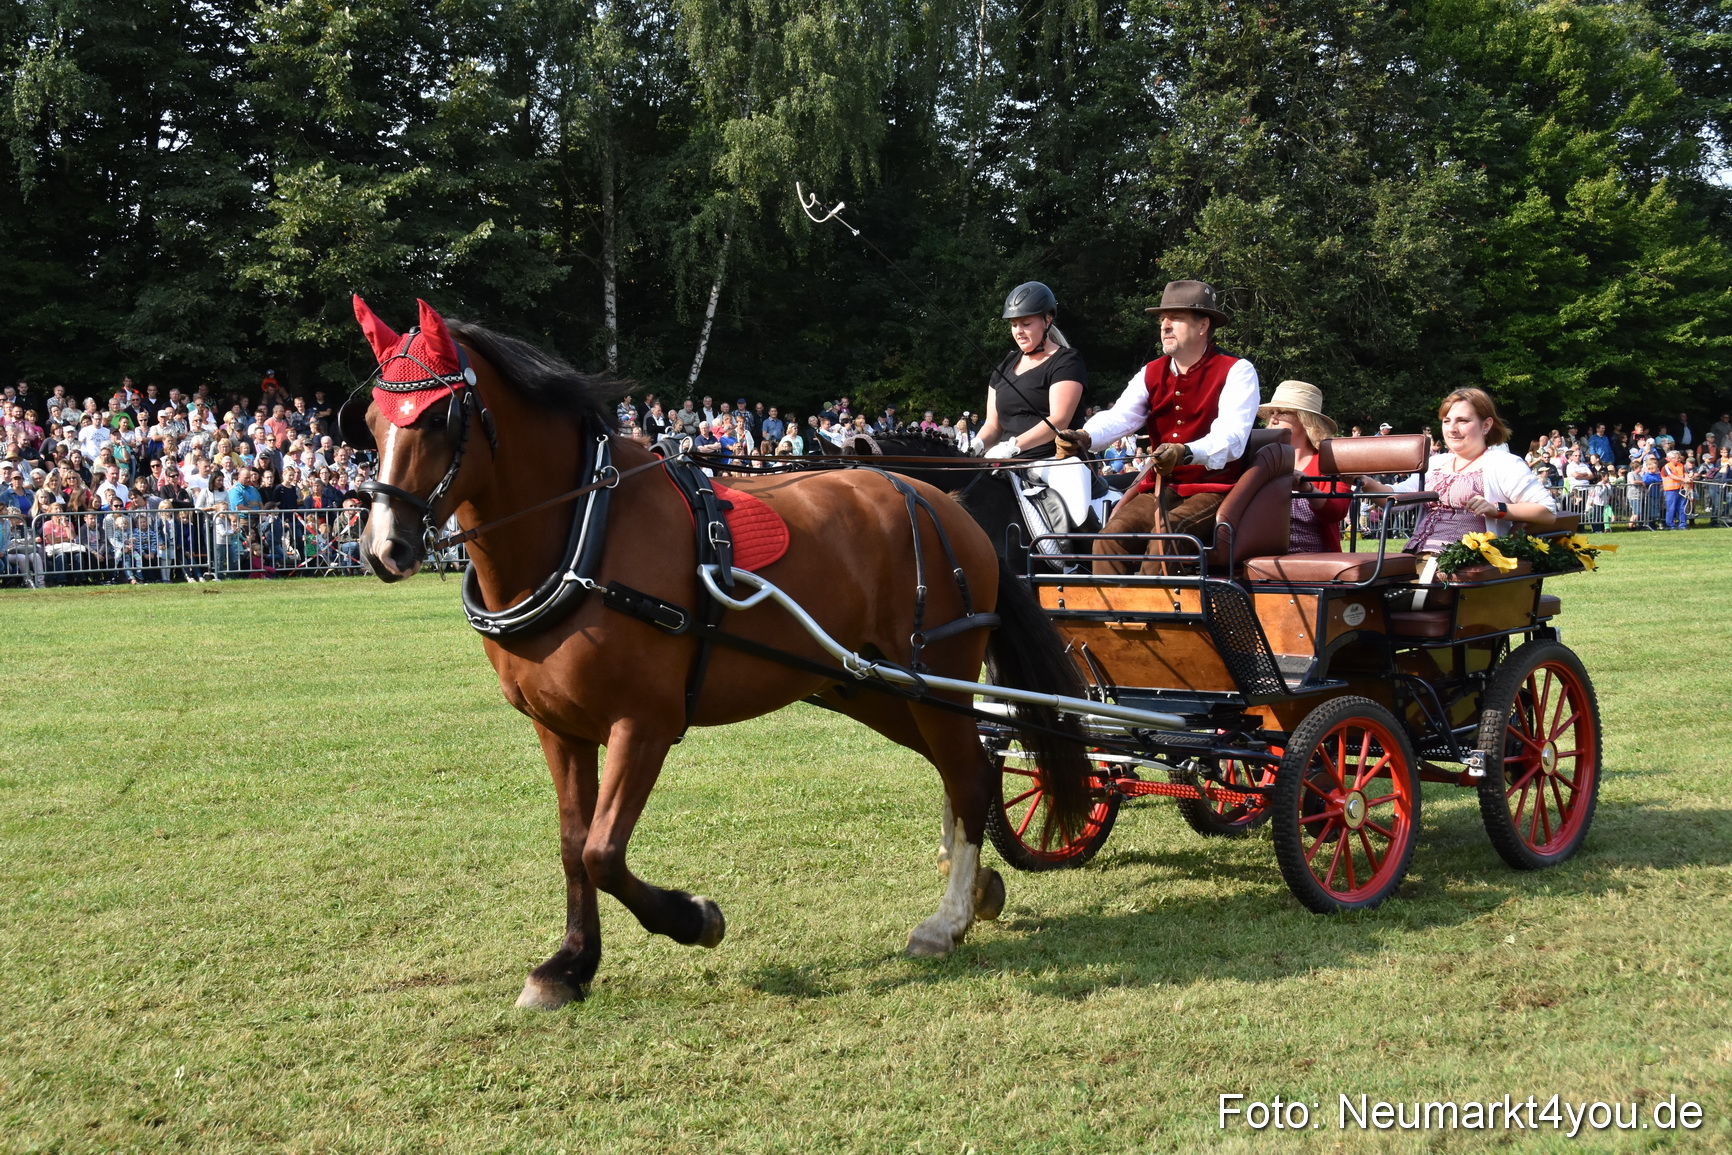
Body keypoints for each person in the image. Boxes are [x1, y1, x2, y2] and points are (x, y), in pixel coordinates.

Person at [1055, 280, 1258, 572]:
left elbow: (1233, 438)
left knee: (1165, 539)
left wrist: (1185, 451)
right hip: (1161, 488)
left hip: (1213, 489)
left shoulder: (1237, 371)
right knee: (1109, 539)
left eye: (1175, 318)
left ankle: (1157, 617)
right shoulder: (1151, 371)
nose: (1164, 325)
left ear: (1203, 325)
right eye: (1163, 319)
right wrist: (1085, 436)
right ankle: (1113, 618)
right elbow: (1121, 416)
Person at [970, 281, 1092, 531]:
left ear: (1047, 321)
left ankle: (1084, 557)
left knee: (1076, 510)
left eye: (1026, 324)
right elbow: (993, 425)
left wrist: (1012, 446)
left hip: (1055, 462)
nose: (1019, 331)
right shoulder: (1005, 365)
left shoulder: (1066, 361)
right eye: (1014, 325)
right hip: (1007, 463)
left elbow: (1058, 420)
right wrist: (978, 444)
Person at [1392, 388, 1555, 563]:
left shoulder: (1503, 463)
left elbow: (1547, 511)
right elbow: (1395, 498)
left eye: (1462, 421)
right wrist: (1365, 482)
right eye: (1446, 421)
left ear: (1486, 425)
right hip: (1416, 557)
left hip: (1464, 566)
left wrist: (1496, 509)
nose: (1452, 429)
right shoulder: (1436, 463)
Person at [1258, 380, 1351, 553]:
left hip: (1315, 554)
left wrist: (1307, 489)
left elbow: (1336, 512)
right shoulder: (1259, 459)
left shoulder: (1331, 461)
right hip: (1262, 553)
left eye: (1283, 412)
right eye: (1272, 412)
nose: (1273, 419)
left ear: (1304, 420)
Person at [1662, 449, 1689, 530]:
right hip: (1671, 490)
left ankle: (1683, 525)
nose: (1679, 459)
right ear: (1671, 458)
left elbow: (1685, 474)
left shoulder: (1681, 465)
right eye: (1677, 457)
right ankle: (1671, 525)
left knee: (1682, 507)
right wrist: (1684, 480)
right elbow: (1671, 476)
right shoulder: (1667, 466)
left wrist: (1687, 478)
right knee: (1671, 508)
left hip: (1681, 489)